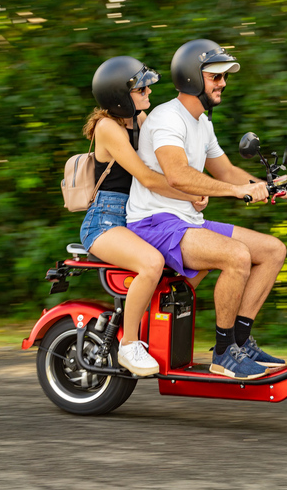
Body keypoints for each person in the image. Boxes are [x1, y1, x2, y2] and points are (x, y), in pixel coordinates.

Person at [126, 39, 287, 381]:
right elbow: (178, 174)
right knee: (237, 256)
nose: (223, 83)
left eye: (224, 76)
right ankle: (224, 352)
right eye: (215, 76)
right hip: (154, 223)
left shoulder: (202, 123)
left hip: (186, 222)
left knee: (273, 250)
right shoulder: (168, 117)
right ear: (191, 78)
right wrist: (236, 192)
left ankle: (240, 342)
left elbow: (227, 172)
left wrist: (268, 187)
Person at [81, 56, 207, 377]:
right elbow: (148, 178)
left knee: (199, 257)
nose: (149, 91)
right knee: (151, 263)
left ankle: (155, 323)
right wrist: (190, 193)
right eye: (141, 88)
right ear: (119, 96)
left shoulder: (140, 118)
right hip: (106, 222)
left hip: (139, 215)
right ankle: (129, 345)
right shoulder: (108, 127)